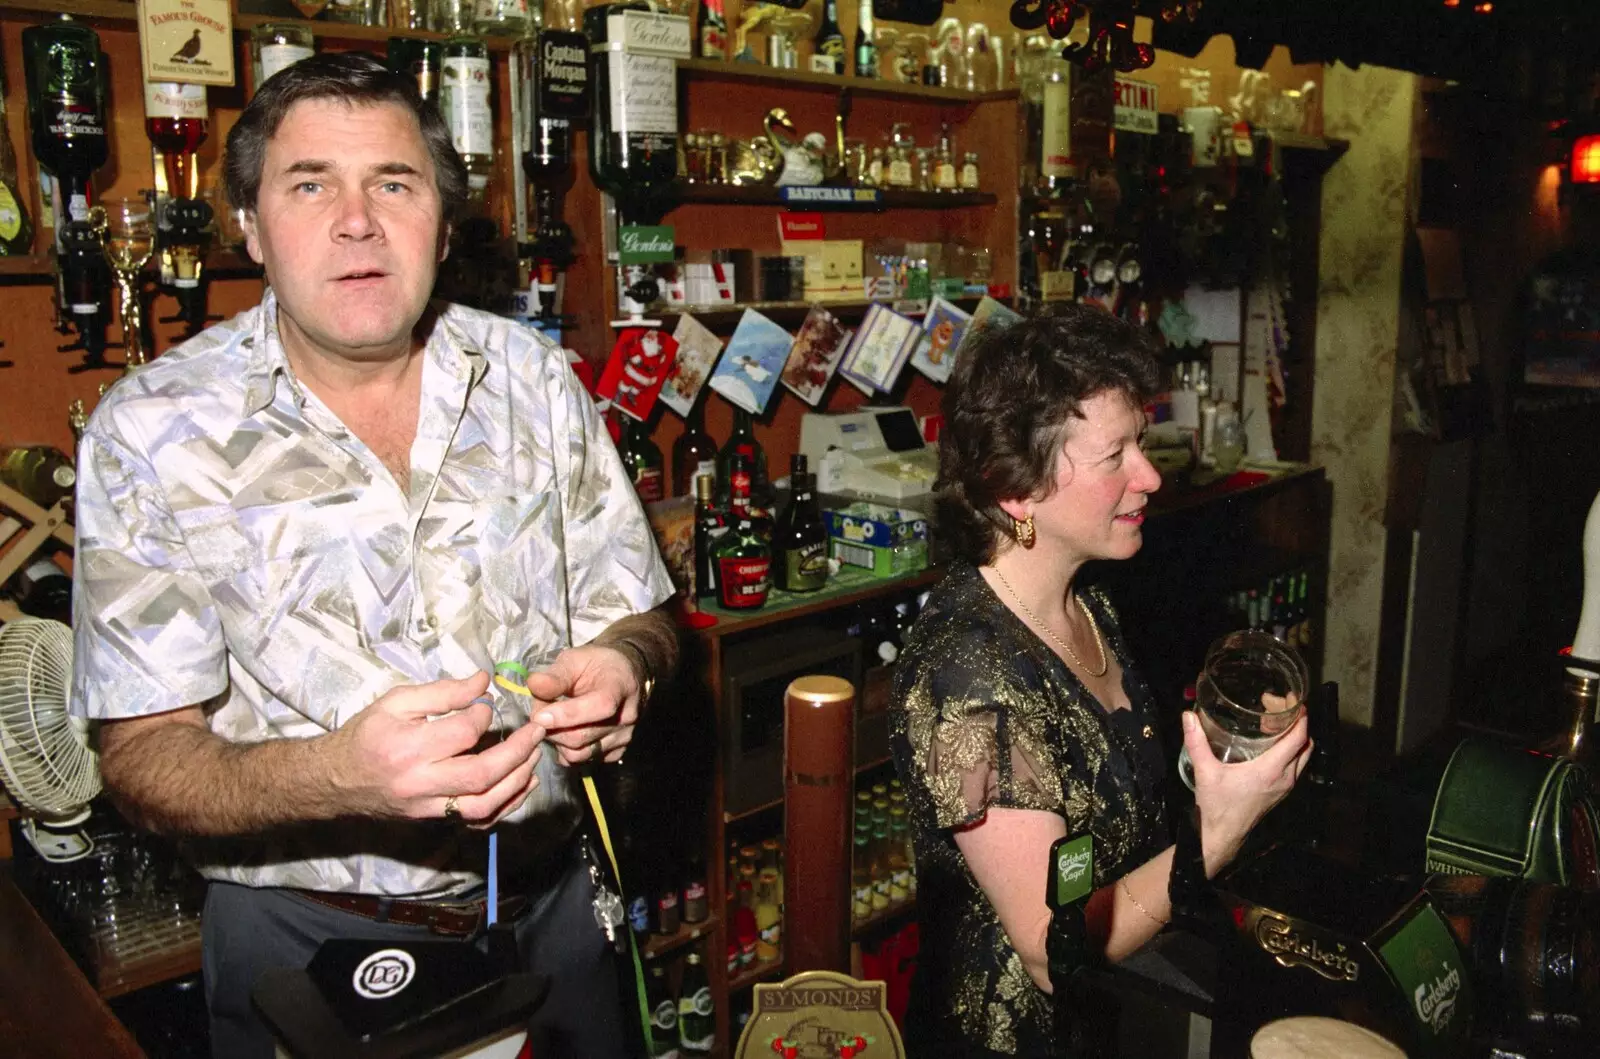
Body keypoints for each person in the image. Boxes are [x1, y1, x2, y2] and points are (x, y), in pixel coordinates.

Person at [69, 53, 677, 1059]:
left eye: (392, 184)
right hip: (304, 947)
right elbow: (138, 761)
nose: (357, 220)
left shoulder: (529, 374)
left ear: (441, 220)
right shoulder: (152, 431)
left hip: (555, 916)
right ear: (254, 228)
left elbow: (641, 615)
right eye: (310, 185)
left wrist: (626, 667)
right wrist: (335, 774)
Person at [889, 305, 1311, 1057]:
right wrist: (1219, 833)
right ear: (1014, 490)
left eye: (1140, 443)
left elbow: (1119, 801)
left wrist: (1223, 752)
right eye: (1115, 455)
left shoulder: (1089, 607)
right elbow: (1055, 952)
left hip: (1118, 1017)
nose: (1149, 475)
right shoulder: (967, 679)